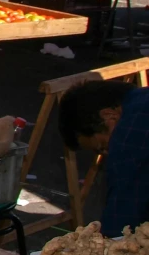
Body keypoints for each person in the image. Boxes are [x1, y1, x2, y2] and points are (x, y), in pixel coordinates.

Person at [58, 80, 149, 236]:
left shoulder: (126, 136)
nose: (108, 154)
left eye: (103, 146)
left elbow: (122, 216)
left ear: (109, 116)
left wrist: (103, 241)